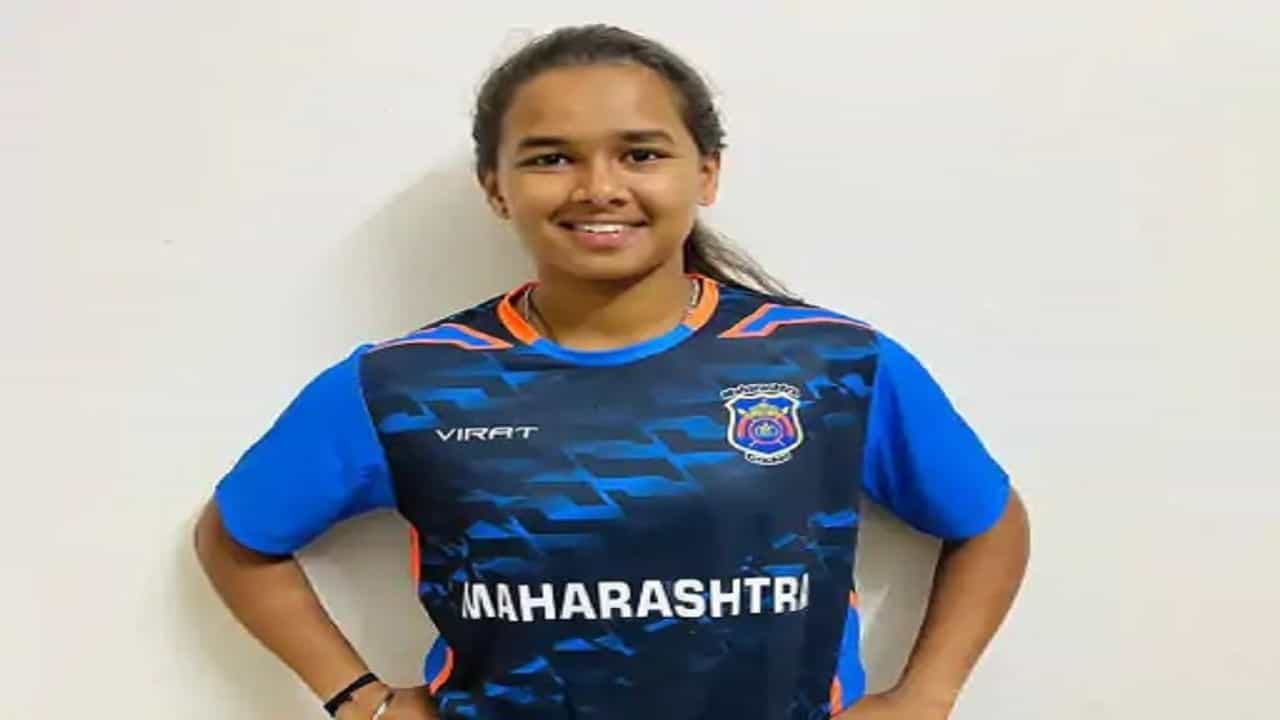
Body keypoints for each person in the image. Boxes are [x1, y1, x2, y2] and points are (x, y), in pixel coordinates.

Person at [194, 24, 1030, 720]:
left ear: (706, 172)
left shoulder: (830, 363)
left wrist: (926, 698)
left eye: (640, 154)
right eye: (550, 158)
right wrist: (359, 700)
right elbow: (237, 541)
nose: (599, 188)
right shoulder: (406, 384)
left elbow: (989, 523)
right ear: (496, 187)